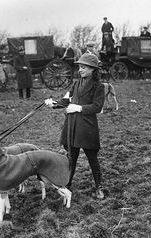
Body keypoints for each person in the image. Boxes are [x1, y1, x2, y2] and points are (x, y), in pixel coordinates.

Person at [44, 53, 106, 199]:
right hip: (72, 126)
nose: (80, 70)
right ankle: (68, 184)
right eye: (79, 67)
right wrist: (54, 104)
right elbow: (67, 100)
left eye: (83, 67)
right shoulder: (76, 83)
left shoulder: (99, 86)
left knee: (92, 159)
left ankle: (99, 186)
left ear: (92, 69)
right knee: (71, 158)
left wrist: (79, 108)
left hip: (87, 128)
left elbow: (97, 107)